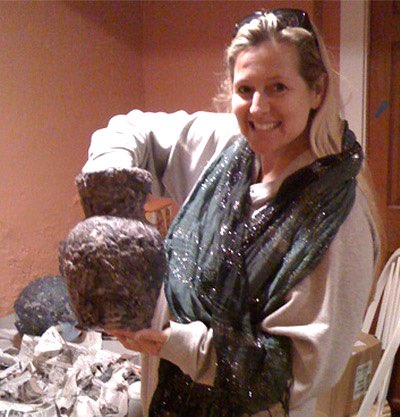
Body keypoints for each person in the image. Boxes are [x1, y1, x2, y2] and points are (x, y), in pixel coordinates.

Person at [82, 9, 382, 417]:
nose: (258, 108)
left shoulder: (336, 219)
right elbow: (131, 130)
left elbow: (293, 372)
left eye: (278, 87)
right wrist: (111, 195)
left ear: (317, 90)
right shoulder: (227, 147)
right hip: (167, 396)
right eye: (245, 89)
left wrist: (177, 343)